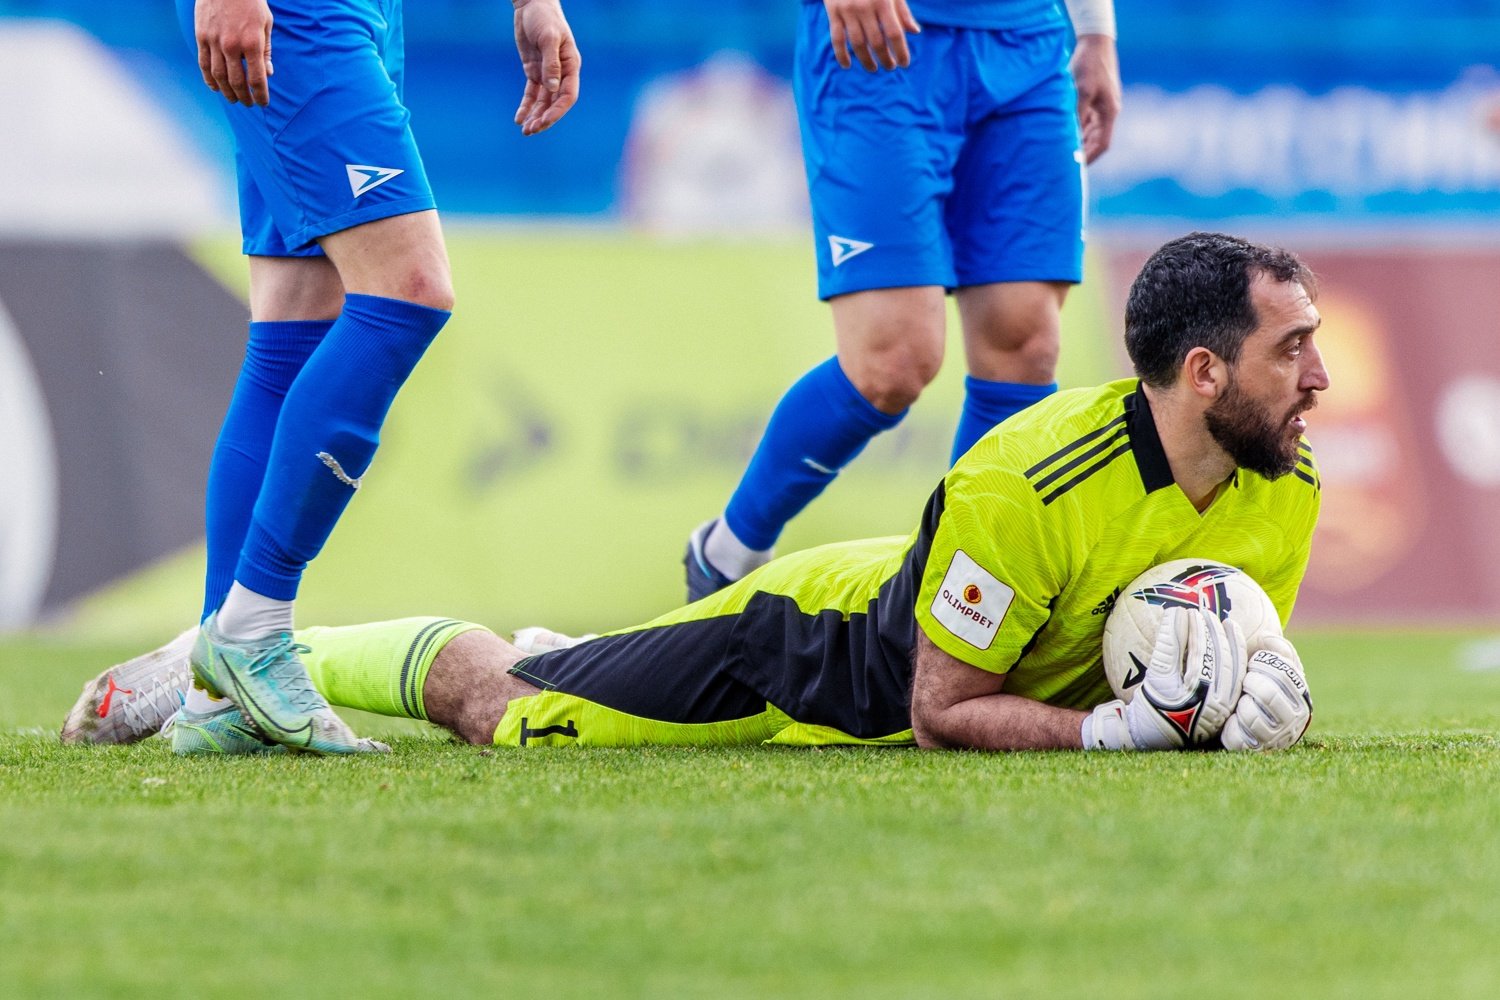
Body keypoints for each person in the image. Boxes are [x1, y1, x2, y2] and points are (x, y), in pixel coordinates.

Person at [67, 233, 1327, 754]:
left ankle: (579, 654)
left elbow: (1191, 649)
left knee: (574, 663)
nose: (1321, 379)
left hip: (931, 615)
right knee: (509, 709)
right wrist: (1118, 734)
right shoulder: (1027, 478)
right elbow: (941, 711)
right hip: (814, 660)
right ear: (1202, 371)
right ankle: (232, 654)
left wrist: (1240, 702)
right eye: (1292, 351)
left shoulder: (1286, 482)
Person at [146, 0, 582, 754]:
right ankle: (250, 633)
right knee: (408, 289)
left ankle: (217, 698)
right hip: (297, 14)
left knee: (294, 330)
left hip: (370, 14)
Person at [682, 0, 1122, 601]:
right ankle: (728, 553)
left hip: (1028, 41)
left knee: (1024, 346)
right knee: (891, 363)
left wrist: (1096, 31)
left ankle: (953, 608)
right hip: (883, 37)